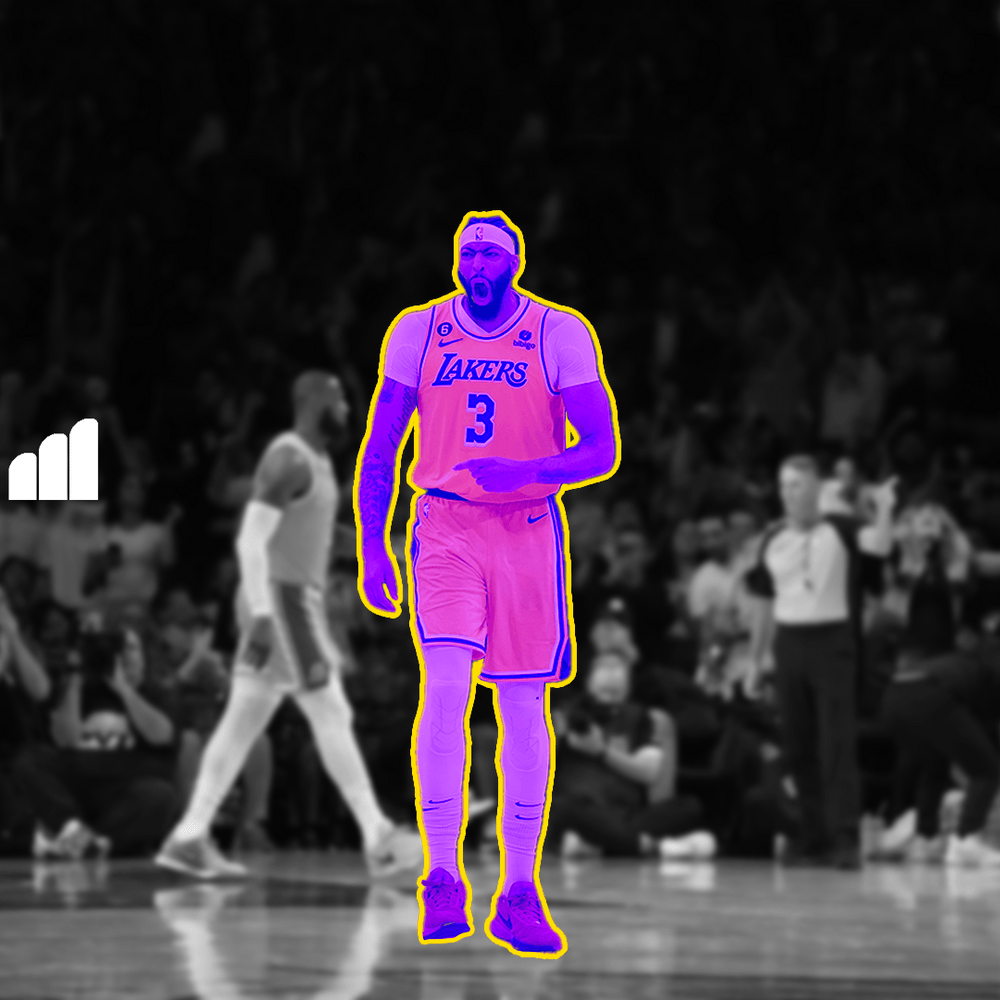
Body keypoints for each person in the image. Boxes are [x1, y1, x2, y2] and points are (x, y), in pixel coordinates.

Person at [356, 211, 619, 957]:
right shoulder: (418, 329)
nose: (475, 263)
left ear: (514, 264)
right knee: (445, 686)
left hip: (527, 528)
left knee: (523, 707)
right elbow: (383, 442)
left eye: (489, 255)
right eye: (465, 253)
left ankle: (518, 891)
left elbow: (601, 449)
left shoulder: (559, 331)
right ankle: (442, 875)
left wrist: (527, 471)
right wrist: (373, 545)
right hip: (444, 523)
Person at [156, 372, 422, 880]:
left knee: (242, 722)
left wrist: (373, 547)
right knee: (331, 710)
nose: (347, 410)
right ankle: (378, 837)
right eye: (339, 401)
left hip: (289, 599)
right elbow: (249, 542)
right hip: (280, 601)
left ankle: (189, 835)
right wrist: (261, 614)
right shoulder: (288, 459)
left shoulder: (317, 463)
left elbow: (312, 533)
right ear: (312, 400)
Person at [746, 455, 896, 869]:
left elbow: (880, 545)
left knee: (837, 742)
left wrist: (884, 508)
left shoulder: (841, 528)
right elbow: (763, 603)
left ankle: (845, 836)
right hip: (788, 643)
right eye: (783, 485)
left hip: (832, 642)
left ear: (815, 488)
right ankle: (812, 836)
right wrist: (755, 660)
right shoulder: (773, 538)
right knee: (797, 744)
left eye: (796, 484)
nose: (787, 493)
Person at [14, 626, 179, 859]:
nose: (123, 655)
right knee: (29, 760)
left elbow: (161, 735)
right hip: (78, 782)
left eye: (131, 648)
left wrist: (124, 689)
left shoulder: (155, 692)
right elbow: (64, 739)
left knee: (161, 796)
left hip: (125, 785)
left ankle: (88, 841)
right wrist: (78, 677)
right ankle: (76, 831)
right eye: (117, 648)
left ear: (144, 657)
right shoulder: (81, 687)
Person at [544, 651, 710, 860]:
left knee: (689, 807)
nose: (611, 674)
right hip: (580, 809)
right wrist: (556, 736)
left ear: (629, 683)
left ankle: (599, 843)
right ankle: (648, 846)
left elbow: (650, 772)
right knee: (561, 807)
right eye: (604, 667)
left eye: (618, 667)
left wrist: (601, 751)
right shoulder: (568, 714)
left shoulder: (641, 718)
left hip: (624, 812)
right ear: (588, 680)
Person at [881, 635, 1000, 866]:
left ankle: (926, 838)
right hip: (929, 695)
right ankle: (966, 839)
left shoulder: (965, 661)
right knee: (987, 771)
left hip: (892, 696)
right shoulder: (988, 667)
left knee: (935, 766)